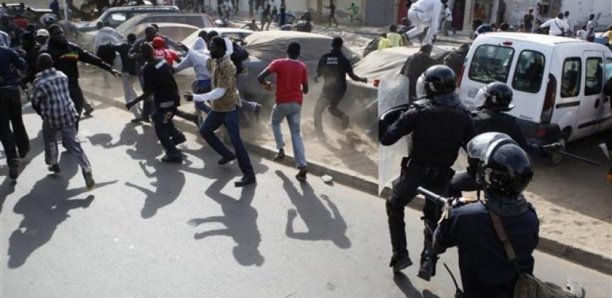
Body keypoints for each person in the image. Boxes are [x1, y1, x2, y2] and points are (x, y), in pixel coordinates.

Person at [378, 65, 475, 279]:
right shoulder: (465, 115)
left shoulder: (417, 112)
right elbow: (473, 150)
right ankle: (428, 261)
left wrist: (386, 118)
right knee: (433, 217)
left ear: (432, 87)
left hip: (415, 172)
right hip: (442, 175)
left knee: (394, 204)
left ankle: (400, 254)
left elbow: (387, 138)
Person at [433, 132, 539, 297]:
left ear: (488, 177)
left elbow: (437, 244)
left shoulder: (461, 215)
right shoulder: (531, 218)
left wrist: (448, 212)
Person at [186, 36, 256, 187]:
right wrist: (189, 51)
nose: (209, 49)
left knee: (236, 141)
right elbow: (202, 58)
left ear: (221, 49)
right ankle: (226, 154)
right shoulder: (215, 61)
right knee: (205, 131)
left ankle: (249, 175)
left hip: (228, 108)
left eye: (212, 46)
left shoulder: (227, 66)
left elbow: (219, 91)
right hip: (218, 107)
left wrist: (195, 97)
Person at [448, 83, 529, 197]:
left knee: (450, 184)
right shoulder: (512, 124)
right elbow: (523, 148)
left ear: (488, 100)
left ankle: (456, 210)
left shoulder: (474, 120)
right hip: (500, 179)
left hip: (476, 176)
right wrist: (543, 149)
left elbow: (457, 141)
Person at [31, 53, 96, 190]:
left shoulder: (39, 82)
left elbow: (36, 101)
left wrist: (42, 113)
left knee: (50, 139)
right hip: (68, 114)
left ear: (39, 66)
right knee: (74, 144)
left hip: (51, 117)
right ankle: (86, 168)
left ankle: (53, 162)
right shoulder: (62, 76)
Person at [41, 24, 120, 128]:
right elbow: (37, 71)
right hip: (56, 88)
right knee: (59, 117)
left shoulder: (71, 48)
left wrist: (108, 68)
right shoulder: (46, 52)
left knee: (76, 114)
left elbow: (89, 58)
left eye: (61, 32)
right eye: (57, 33)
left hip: (73, 86)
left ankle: (72, 135)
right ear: (51, 35)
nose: (60, 35)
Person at [258, 42, 309, 182]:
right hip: (297, 104)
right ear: (299, 53)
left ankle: (280, 150)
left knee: (274, 123)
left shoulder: (278, 63)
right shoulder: (302, 66)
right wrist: (296, 84)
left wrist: (266, 84)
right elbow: (305, 90)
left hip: (282, 103)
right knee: (296, 134)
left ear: (287, 51)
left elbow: (260, 77)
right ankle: (302, 165)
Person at [127, 43, 186, 164]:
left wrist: (133, 102)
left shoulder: (148, 69)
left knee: (160, 128)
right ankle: (177, 137)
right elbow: (171, 72)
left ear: (142, 54)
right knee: (160, 117)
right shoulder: (162, 61)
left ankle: (174, 153)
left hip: (165, 102)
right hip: (174, 97)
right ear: (153, 51)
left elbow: (149, 92)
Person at [313, 37, 367, 137]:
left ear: (332, 45)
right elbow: (352, 77)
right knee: (332, 107)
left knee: (317, 112)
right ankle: (344, 119)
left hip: (328, 90)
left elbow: (319, 73)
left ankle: (319, 134)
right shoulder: (344, 59)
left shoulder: (324, 58)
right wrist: (362, 79)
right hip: (340, 90)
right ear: (341, 46)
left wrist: (317, 77)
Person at [0, 43, 29, 179]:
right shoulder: (7, 51)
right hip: (12, 91)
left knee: (3, 128)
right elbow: (22, 65)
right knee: (17, 121)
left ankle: (13, 160)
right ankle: (23, 148)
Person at [110, 33, 143, 123]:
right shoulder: (138, 46)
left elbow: (113, 46)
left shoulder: (124, 46)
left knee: (128, 94)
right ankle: (140, 107)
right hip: (136, 73)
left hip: (126, 73)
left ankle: (137, 115)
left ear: (127, 39)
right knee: (132, 89)